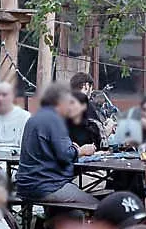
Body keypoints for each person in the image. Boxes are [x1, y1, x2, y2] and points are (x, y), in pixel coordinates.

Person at [15, 83, 99, 213]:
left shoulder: (35, 118)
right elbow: (65, 155)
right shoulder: (55, 120)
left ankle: (49, 227)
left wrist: (71, 147)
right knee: (96, 206)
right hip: (48, 186)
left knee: (73, 214)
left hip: (26, 185)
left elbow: (51, 149)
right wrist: (81, 151)